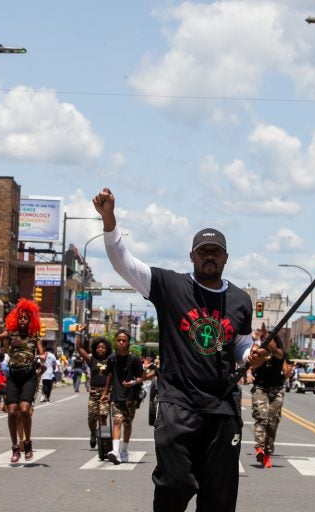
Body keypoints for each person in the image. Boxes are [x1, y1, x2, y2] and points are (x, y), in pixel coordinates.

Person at [93, 187, 263, 512]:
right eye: (203, 251)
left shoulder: (241, 299)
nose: (209, 256)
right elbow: (123, 263)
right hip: (178, 405)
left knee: (219, 500)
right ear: (192, 256)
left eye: (215, 251)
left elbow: (241, 345)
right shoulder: (170, 286)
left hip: (223, 408)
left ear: (226, 257)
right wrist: (110, 220)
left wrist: (251, 355)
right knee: (175, 484)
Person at [0, 300, 45, 463]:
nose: (22, 320)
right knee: (12, 411)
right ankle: (15, 446)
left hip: (29, 376)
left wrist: (42, 359)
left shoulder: (34, 335)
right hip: (13, 375)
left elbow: (42, 353)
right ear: (15, 318)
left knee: (25, 410)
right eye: (20, 317)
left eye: (26, 318)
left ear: (30, 320)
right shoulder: (10, 333)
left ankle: (27, 443)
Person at [101, 329, 143, 464]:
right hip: (116, 395)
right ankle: (115, 451)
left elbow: (141, 377)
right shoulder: (112, 358)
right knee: (117, 420)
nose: (121, 342)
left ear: (128, 342)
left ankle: (124, 451)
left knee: (127, 423)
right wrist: (105, 393)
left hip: (131, 397)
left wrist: (133, 382)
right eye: (119, 340)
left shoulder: (134, 358)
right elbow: (110, 375)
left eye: (124, 340)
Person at [250, 324, 285, 469]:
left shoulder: (279, 353)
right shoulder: (259, 352)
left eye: (268, 339)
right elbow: (252, 364)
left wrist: (265, 335)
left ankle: (267, 455)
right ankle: (259, 448)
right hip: (261, 388)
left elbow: (274, 349)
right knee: (261, 417)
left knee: (272, 422)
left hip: (276, 390)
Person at [77, 333, 112, 449]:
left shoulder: (111, 360)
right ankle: (93, 433)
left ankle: (104, 440)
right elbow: (79, 349)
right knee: (92, 417)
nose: (100, 349)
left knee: (103, 416)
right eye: (98, 347)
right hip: (93, 392)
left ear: (107, 349)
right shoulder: (91, 360)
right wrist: (79, 334)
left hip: (106, 392)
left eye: (103, 347)